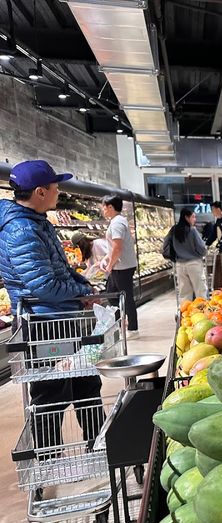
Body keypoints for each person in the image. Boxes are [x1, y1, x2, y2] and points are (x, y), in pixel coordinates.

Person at [0, 160, 103, 449]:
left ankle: (98, 444)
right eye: (55, 187)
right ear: (40, 192)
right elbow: (43, 285)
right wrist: (79, 293)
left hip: (62, 318)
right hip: (43, 325)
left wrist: (83, 286)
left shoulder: (37, 221)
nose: (59, 192)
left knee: (86, 383)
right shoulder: (22, 231)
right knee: (50, 392)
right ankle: (48, 458)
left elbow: (59, 269)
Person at [102, 194, 140, 337]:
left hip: (122, 267)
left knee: (126, 296)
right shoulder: (118, 221)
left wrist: (110, 264)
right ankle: (121, 323)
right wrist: (107, 258)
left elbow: (118, 247)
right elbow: (115, 247)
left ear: (110, 207)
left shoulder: (117, 223)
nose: (103, 210)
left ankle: (133, 328)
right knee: (112, 295)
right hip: (121, 265)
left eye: (104, 207)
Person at [165, 208, 207, 302]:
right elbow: (202, 248)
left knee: (184, 293)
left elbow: (165, 245)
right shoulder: (192, 231)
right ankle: (202, 313)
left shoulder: (174, 230)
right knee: (200, 291)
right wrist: (202, 254)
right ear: (186, 217)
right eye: (193, 217)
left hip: (179, 265)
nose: (194, 219)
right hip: (194, 264)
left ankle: (186, 314)